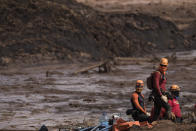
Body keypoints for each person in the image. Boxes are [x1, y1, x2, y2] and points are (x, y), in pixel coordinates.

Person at [150, 58, 174, 122]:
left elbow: (161, 86)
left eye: (165, 65)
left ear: (167, 66)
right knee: (168, 107)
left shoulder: (162, 73)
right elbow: (156, 85)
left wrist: (166, 93)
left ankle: (152, 124)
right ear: (159, 65)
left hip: (159, 94)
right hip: (158, 95)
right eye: (162, 65)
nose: (163, 67)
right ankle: (168, 123)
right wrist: (161, 95)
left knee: (157, 111)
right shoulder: (157, 73)